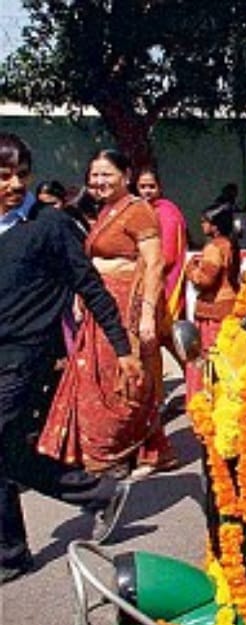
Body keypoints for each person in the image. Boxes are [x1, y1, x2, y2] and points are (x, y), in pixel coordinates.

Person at [0, 133, 139, 584]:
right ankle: (99, 492)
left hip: (29, 355)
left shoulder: (50, 224)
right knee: (10, 455)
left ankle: (11, 554)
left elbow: (90, 286)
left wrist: (122, 348)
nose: (15, 185)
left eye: (22, 175)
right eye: (5, 176)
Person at [37, 148, 178, 477]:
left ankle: (111, 452)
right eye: (94, 175)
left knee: (121, 381)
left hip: (124, 304)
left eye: (106, 174)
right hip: (99, 304)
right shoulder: (106, 211)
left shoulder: (138, 210)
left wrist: (146, 316)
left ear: (125, 176)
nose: (98, 181)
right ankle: (149, 449)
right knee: (96, 377)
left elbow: (155, 263)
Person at [184, 203, 239, 399]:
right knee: (225, 359)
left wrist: (190, 268)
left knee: (206, 359)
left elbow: (204, 280)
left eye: (204, 222)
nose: (201, 226)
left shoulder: (214, 248)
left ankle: (205, 401)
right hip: (228, 306)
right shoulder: (230, 244)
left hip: (212, 313)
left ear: (214, 226)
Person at [135, 166, 189, 325]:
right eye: (142, 187)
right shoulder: (144, 210)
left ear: (159, 188)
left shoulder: (166, 212)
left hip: (163, 280)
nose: (147, 191)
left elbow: (168, 255)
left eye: (151, 186)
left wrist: (148, 271)